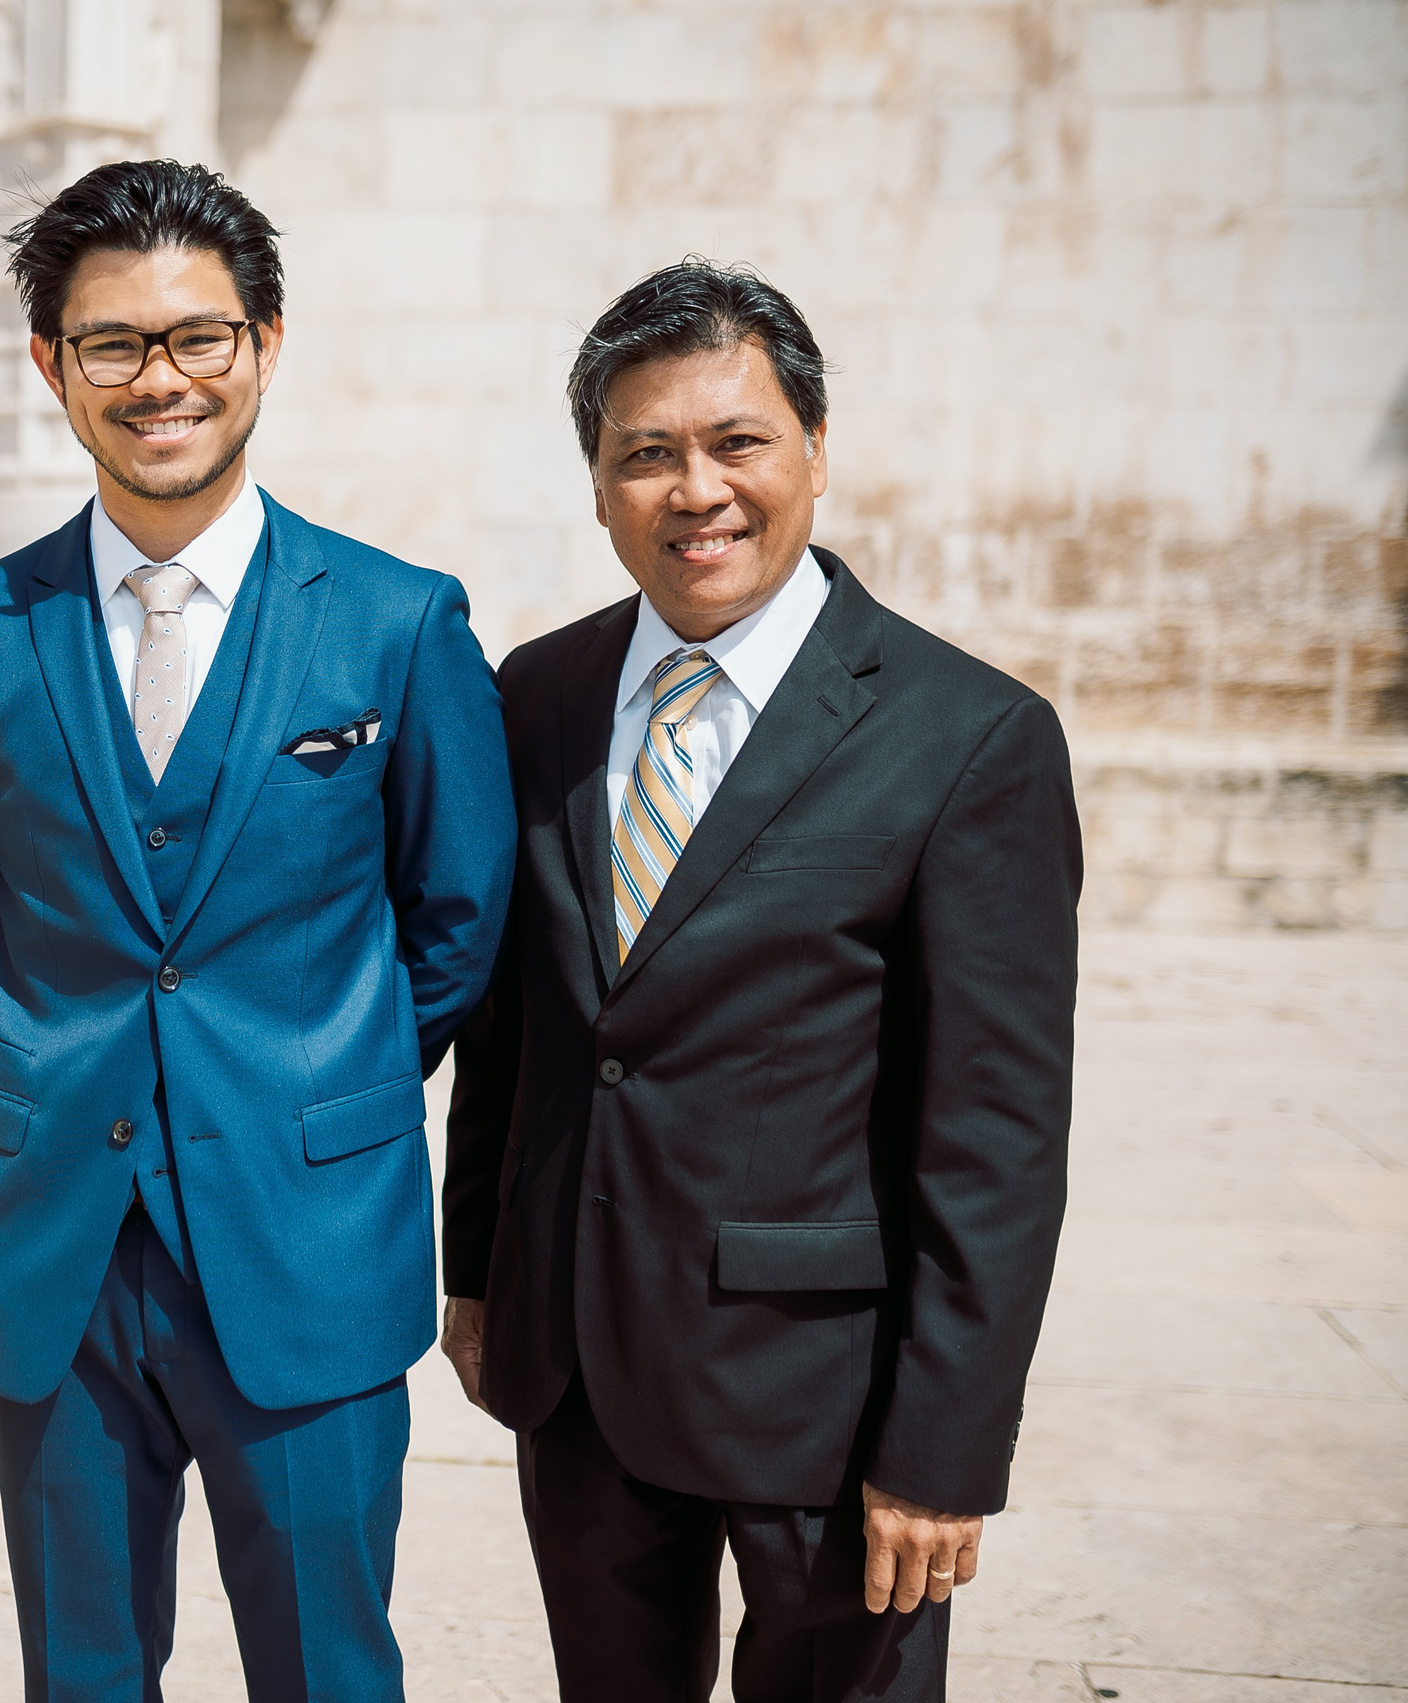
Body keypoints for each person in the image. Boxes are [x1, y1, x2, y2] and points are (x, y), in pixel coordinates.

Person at [0, 160, 517, 1703]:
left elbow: (458, 918)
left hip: (310, 1237)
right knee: (81, 1677)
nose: (159, 377)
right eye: (113, 343)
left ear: (267, 342)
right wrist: (78, 1067)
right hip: (54, 1250)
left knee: (330, 1672)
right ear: (52, 364)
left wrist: (310, 1078)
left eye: (199, 336)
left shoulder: (397, 619)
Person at [439, 259, 1080, 1701]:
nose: (695, 489)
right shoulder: (533, 695)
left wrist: (945, 1448)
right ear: (599, 487)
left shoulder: (970, 738)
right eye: (645, 454)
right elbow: (516, 1023)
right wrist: (476, 1269)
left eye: (737, 443)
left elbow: (996, 1142)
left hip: (828, 1408)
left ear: (815, 454)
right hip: (580, 1370)